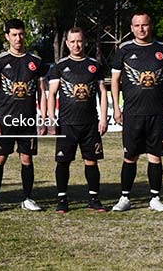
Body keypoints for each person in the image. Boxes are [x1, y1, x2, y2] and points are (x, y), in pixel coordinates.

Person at [110, 11, 163, 212]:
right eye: (137, 25)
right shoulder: (124, 49)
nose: (141, 29)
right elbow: (115, 81)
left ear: (151, 26)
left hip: (157, 113)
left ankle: (155, 198)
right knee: (130, 156)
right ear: (131, 28)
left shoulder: (162, 49)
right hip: (132, 113)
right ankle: (125, 198)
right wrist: (116, 107)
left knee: (155, 156)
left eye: (144, 25)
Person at [0, 19, 47, 212]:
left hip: (27, 120)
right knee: (0, 158)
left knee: (27, 159)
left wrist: (43, 118)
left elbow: (42, 92)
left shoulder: (36, 61)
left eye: (21, 34)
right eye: (14, 35)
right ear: (7, 36)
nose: (18, 38)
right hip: (5, 119)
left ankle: (27, 198)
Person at [47, 27, 108, 213]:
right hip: (67, 124)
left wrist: (103, 118)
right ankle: (62, 200)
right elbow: (52, 94)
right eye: (72, 41)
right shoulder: (59, 66)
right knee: (63, 162)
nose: (76, 45)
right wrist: (51, 119)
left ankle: (94, 199)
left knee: (91, 161)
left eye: (79, 41)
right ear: (67, 44)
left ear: (85, 42)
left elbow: (102, 93)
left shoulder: (94, 65)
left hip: (90, 124)